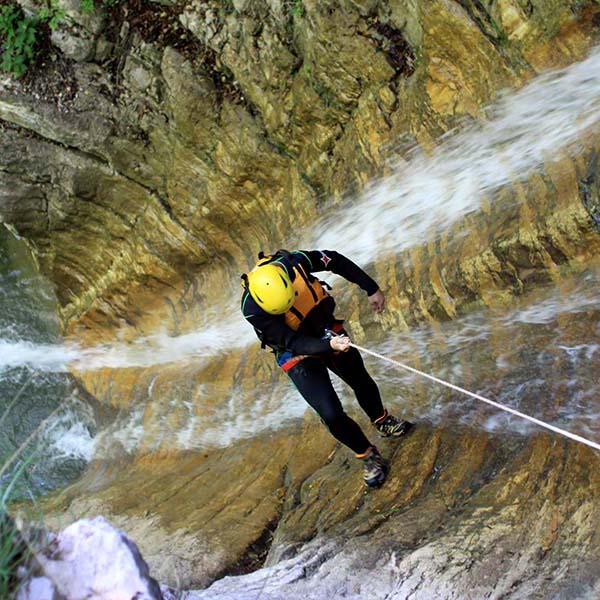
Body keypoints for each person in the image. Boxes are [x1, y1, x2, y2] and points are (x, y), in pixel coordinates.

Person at [240, 249, 413, 487]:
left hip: (323, 327)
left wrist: (371, 287)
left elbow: (336, 260)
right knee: (330, 413)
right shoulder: (252, 309)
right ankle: (368, 455)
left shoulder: (295, 263)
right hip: (296, 350)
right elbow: (292, 341)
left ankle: (382, 420)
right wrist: (328, 344)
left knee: (359, 379)